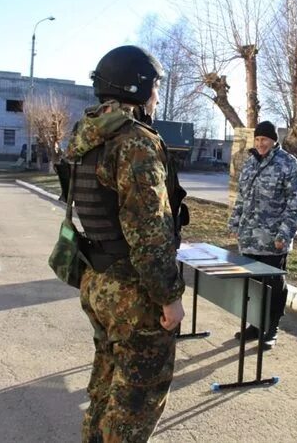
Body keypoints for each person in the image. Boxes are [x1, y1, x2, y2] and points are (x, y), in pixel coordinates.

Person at [64, 45, 188, 443]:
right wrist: (169, 297)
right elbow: (149, 231)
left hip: (98, 280)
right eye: (154, 87)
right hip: (133, 294)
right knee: (135, 404)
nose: (156, 95)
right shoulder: (134, 141)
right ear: (138, 86)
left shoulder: (88, 134)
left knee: (105, 389)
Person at [228, 120, 297, 350]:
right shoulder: (251, 162)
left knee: (273, 285)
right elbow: (242, 197)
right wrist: (235, 223)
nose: (261, 144)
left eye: (265, 140)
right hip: (250, 239)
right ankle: (255, 324)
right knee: (253, 285)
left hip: (274, 240)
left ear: (274, 141)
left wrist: (285, 232)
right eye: (258, 139)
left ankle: (272, 328)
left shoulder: (288, 164)